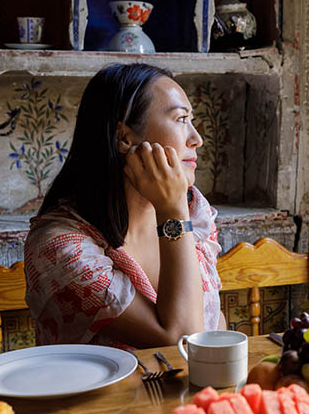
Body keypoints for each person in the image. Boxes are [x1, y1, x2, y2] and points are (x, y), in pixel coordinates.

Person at [24, 63, 225, 349]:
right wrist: (172, 211)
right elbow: (180, 341)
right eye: (181, 120)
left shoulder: (196, 212)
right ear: (125, 137)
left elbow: (212, 321)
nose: (197, 139)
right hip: (101, 395)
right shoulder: (61, 247)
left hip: (183, 393)